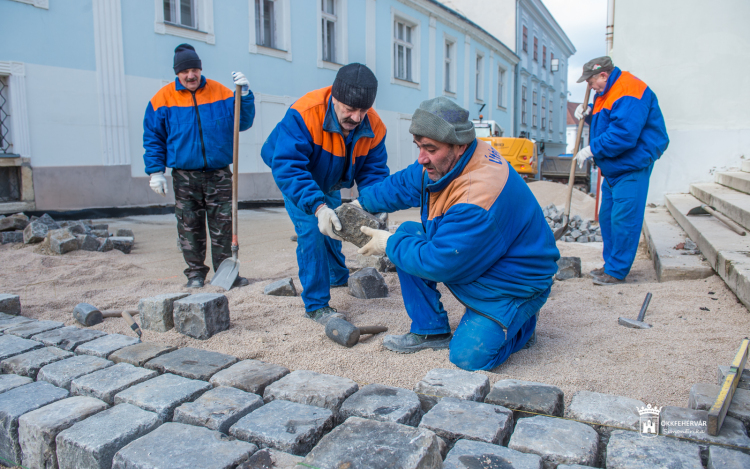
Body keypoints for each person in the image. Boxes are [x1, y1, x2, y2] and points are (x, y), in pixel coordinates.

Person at [354, 97, 560, 371]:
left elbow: (441, 263)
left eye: (430, 149)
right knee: (408, 234)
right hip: (489, 257)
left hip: (514, 284)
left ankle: (521, 325)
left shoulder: (478, 195)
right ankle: (430, 330)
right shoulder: (448, 160)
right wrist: (358, 204)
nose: (421, 157)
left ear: (459, 145)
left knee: (468, 358)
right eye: (419, 146)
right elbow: (404, 183)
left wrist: (389, 243)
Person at [260, 63, 389, 322]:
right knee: (313, 231)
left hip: (330, 179)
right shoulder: (304, 114)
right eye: (349, 109)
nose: (356, 117)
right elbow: (288, 167)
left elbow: (373, 171)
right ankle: (317, 305)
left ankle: (337, 276)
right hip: (297, 173)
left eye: (363, 110)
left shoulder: (374, 126)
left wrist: (377, 204)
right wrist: (317, 207)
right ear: (334, 97)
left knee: (336, 224)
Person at [143, 43, 256, 288]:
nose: (191, 75)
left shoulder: (222, 93)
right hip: (184, 176)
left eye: (195, 69)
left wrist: (245, 95)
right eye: (185, 71)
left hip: (218, 174)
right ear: (177, 73)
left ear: (200, 69)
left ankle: (226, 272)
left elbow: (243, 122)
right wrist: (155, 172)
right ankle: (195, 274)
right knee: (188, 225)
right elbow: (153, 137)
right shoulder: (162, 100)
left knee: (223, 224)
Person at [573, 56, 669, 285]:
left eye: (591, 81)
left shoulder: (629, 89)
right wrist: (588, 113)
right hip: (615, 167)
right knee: (607, 218)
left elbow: (624, 134)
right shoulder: (606, 93)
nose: (590, 86)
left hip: (632, 164)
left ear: (603, 75)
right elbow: (607, 122)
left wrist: (591, 149)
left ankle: (616, 272)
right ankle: (611, 265)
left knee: (624, 219)